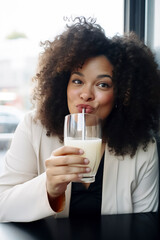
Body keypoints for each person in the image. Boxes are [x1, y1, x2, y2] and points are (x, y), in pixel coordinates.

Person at [0, 17, 160, 222]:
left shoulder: (142, 147)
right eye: (77, 81)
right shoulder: (33, 127)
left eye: (102, 84)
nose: (86, 94)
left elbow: (144, 225)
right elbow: (2, 205)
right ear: (62, 86)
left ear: (122, 94)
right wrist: (48, 187)